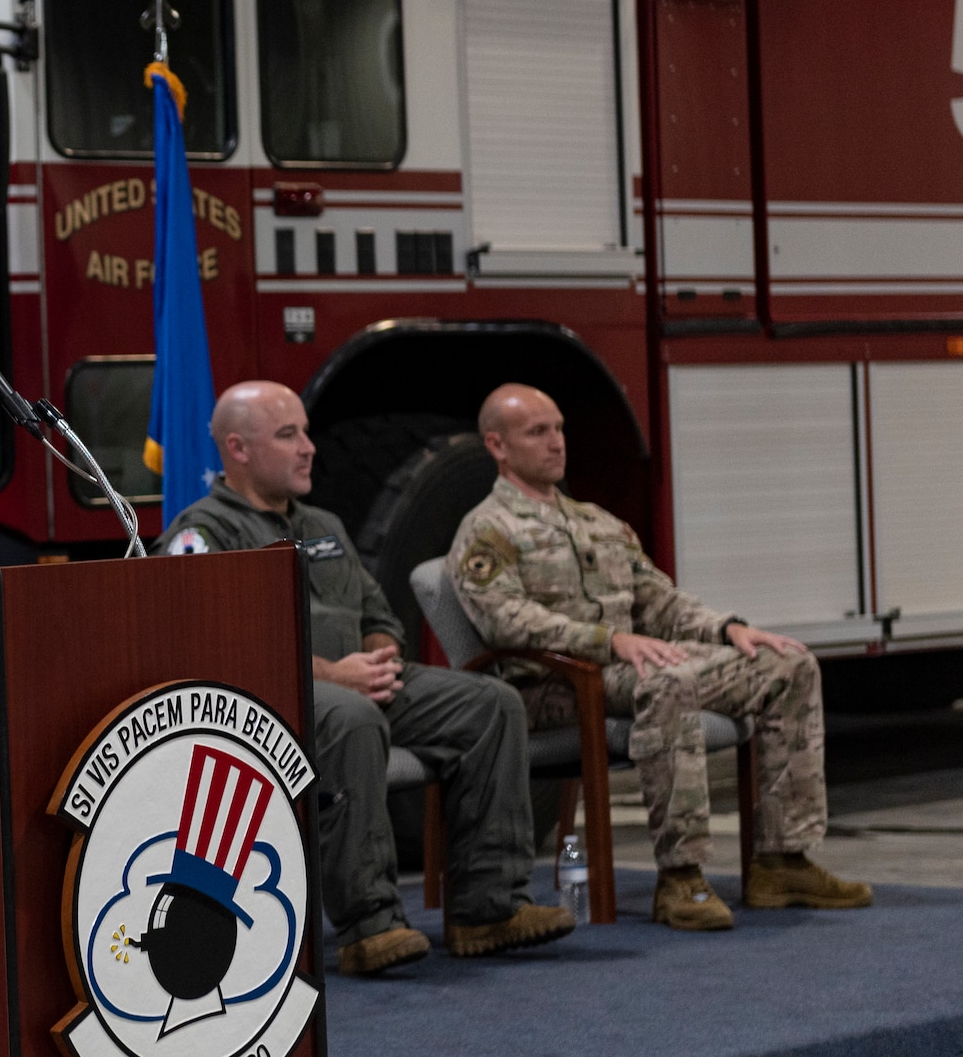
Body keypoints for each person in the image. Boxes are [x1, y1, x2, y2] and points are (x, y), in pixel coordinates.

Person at [158, 381, 573, 973]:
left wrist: (378, 655)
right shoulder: (203, 536)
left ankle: (491, 909)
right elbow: (208, 649)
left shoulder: (323, 524)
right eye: (288, 435)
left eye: (305, 432)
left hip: (361, 682)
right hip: (268, 696)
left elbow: (378, 614)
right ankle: (368, 924)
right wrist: (333, 674)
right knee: (351, 719)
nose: (308, 447)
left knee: (493, 704)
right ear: (238, 449)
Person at [448, 383, 871, 932]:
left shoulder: (596, 521)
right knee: (667, 680)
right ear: (497, 446)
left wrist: (728, 628)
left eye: (559, 429)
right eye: (538, 432)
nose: (556, 443)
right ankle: (681, 876)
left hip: (625, 670)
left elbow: (661, 601)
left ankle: (781, 861)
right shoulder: (487, 530)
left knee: (786, 666)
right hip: (552, 687)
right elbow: (505, 620)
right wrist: (608, 641)